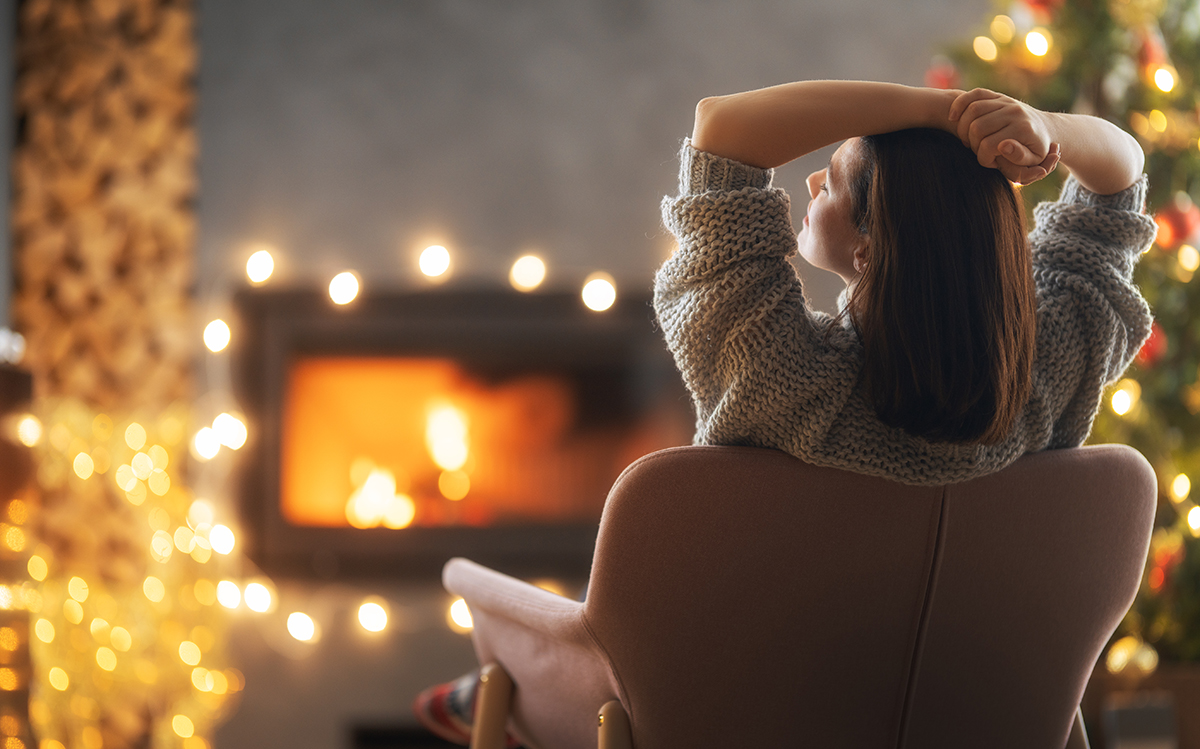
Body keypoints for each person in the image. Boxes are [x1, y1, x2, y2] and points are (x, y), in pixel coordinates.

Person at [413, 80, 1155, 743]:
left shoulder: (780, 382)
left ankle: (483, 690)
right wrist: (1032, 124)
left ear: (869, 248)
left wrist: (940, 110)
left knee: (518, 631)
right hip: (962, 718)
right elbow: (1119, 180)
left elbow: (722, 128)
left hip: (727, 721)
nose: (809, 182)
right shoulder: (1050, 377)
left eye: (831, 182)